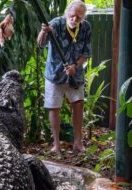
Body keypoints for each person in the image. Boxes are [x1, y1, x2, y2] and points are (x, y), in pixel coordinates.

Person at [37, 0, 91, 154]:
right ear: (67, 13)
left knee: (78, 104)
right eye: (73, 16)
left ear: (83, 18)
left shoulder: (86, 27)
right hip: (55, 73)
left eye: (79, 17)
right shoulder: (55, 23)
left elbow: (86, 53)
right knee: (54, 107)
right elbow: (40, 44)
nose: (75, 19)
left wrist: (75, 66)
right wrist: (43, 31)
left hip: (75, 74)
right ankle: (56, 145)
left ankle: (78, 143)